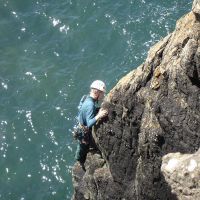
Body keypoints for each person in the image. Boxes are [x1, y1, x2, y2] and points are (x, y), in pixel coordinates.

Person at [75, 80, 108, 168]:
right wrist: (99, 115)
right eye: (102, 93)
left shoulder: (85, 98)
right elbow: (89, 123)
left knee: (82, 145)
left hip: (80, 124)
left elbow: (82, 107)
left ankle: (80, 157)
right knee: (83, 147)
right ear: (96, 92)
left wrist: (96, 110)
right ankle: (80, 161)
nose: (103, 95)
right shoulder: (90, 105)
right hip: (83, 131)